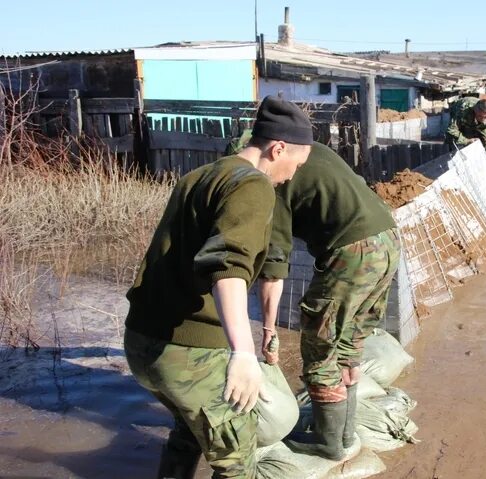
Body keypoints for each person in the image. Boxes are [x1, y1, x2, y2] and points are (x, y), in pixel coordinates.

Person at [123, 96, 313, 479]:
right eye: (297, 164)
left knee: (189, 433)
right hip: (189, 351)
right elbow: (228, 267)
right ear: (278, 149)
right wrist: (242, 355)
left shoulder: (199, 176)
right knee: (235, 460)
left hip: (142, 341)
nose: (293, 175)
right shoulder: (253, 186)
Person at [257, 142, 400, 461]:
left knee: (319, 347)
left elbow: (275, 265)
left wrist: (268, 328)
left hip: (354, 252)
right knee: (349, 344)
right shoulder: (314, 149)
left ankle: (328, 442)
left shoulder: (273, 180)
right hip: (388, 239)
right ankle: (345, 434)